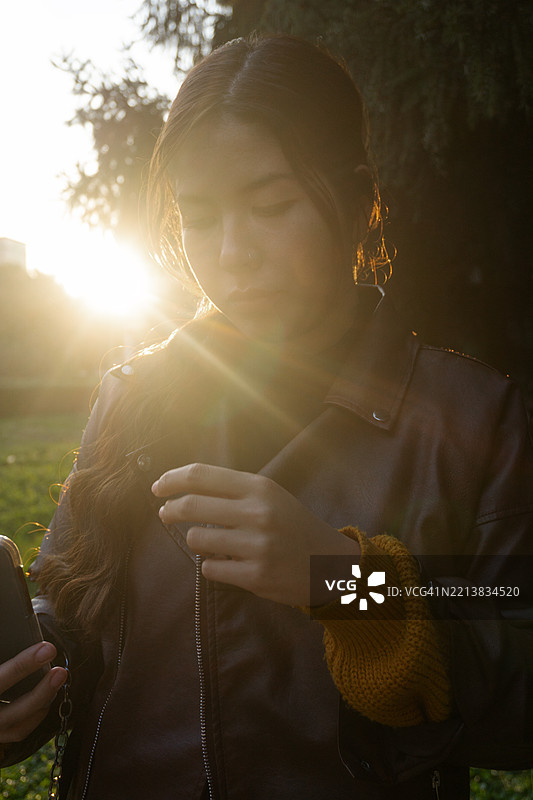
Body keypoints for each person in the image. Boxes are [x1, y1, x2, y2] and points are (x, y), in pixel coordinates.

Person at [1, 34, 533, 800]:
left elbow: (510, 666)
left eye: (271, 205)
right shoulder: (132, 393)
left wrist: (342, 583)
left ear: (357, 201)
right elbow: (74, 607)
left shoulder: (473, 418)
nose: (232, 251)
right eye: (202, 215)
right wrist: (26, 670)